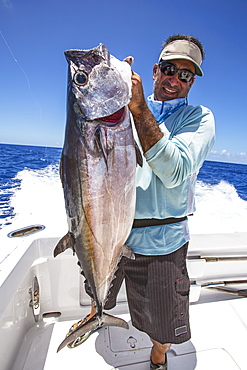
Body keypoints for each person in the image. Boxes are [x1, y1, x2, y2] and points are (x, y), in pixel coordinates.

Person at [86, 34, 215, 369]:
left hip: (162, 243)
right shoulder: (121, 111)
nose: (175, 80)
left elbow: (175, 172)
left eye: (185, 75)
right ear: (156, 70)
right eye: (170, 69)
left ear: (192, 82)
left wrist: (139, 106)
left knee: (162, 326)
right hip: (110, 232)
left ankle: (158, 357)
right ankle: (94, 317)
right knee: (96, 291)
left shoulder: (199, 119)